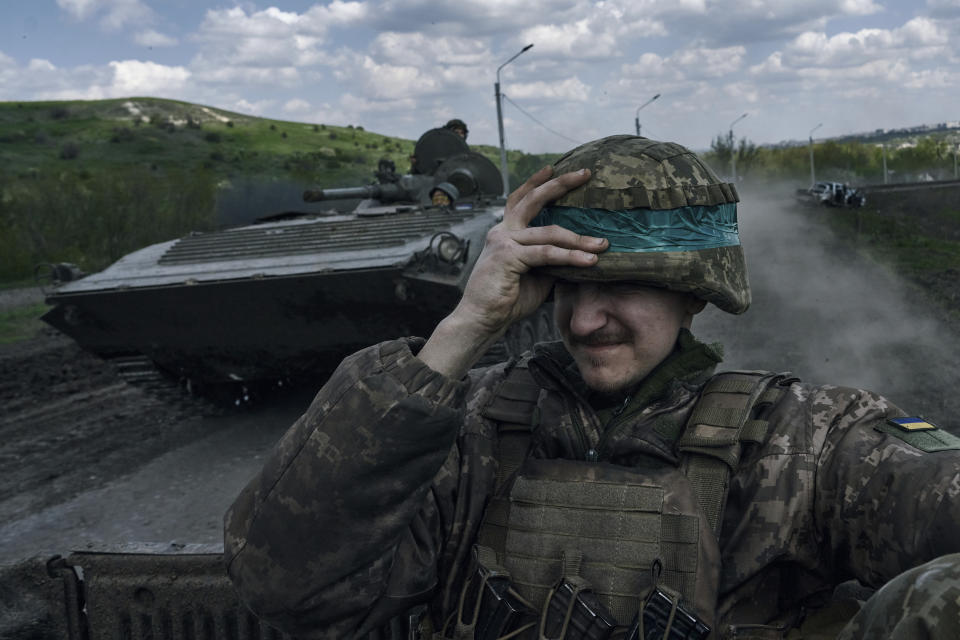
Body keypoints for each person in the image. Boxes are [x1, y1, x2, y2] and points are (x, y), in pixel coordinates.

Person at [224, 135, 960, 640]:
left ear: (694, 294)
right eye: (563, 285)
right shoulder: (467, 427)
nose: (583, 320)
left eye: (624, 287)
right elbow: (286, 585)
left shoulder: (805, 441)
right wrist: (464, 328)